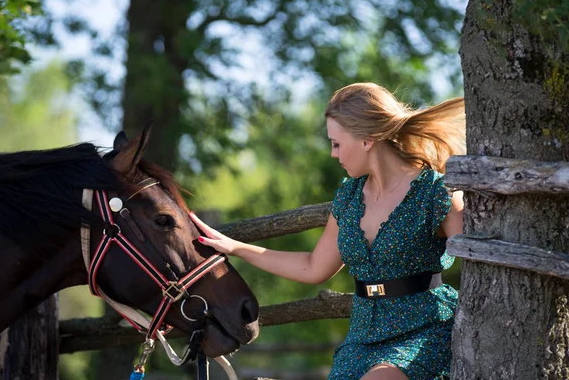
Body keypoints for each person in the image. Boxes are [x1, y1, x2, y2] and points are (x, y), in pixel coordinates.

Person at [190, 82, 465, 380]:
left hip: (423, 331)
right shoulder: (348, 197)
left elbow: (481, 264)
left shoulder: (436, 192)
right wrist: (234, 247)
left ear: (367, 139)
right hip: (361, 338)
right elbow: (313, 267)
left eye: (336, 143)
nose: (333, 154)